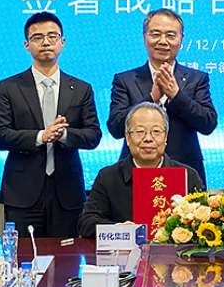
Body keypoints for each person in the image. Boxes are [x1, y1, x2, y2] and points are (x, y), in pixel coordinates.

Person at [0, 12, 101, 237]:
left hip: (67, 192)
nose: (46, 42)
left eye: (52, 36)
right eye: (38, 37)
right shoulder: (9, 87)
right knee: (24, 254)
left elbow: (93, 135)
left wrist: (63, 135)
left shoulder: (81, 88)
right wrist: (41, 136)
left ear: (63, 42)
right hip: (21, 193)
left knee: (66, 255)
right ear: (27, 45)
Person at [107, 8, 217, 187]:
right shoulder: (124, 80)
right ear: (144, 37)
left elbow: (208, 124)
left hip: (185, 172)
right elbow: (115, 128)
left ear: (181, 39)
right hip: (134, 173)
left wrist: (176, 95)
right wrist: (151, 98)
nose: (163, 41)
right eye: (156, 34)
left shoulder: (197, 79)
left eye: (170, 35)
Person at [78, 102, 204, 238]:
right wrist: (119, 230)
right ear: (127, 138)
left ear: (166, 137)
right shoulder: (108, 177)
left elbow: (204, 222)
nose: (148, 139)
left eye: (156, 131)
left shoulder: (188, 176)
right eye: (140, 132)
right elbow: (86, 223)